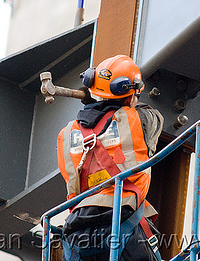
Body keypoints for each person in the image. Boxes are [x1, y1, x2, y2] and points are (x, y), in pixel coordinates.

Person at [56, 55, 164, 261]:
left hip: (77, 233)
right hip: (123, 225)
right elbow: (149, 114)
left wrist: (94, 105)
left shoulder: (66, 134)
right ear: (130, 95)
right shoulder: (141, 120)